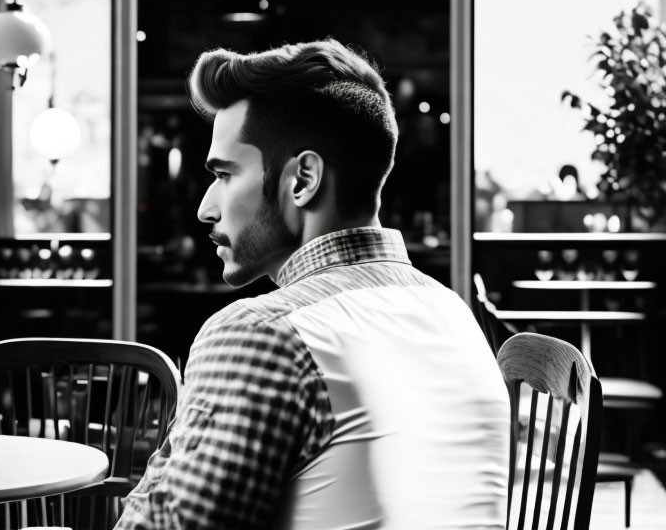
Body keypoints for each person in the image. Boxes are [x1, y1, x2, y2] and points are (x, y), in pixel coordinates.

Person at [116, 39, 509, 529]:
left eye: (225, 174)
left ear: (302, 179)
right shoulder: (454, 315)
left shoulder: (263, 334)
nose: (205, 207)